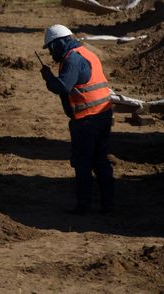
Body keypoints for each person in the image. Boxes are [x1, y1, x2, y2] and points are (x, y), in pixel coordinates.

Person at [39, 24, 114, 215]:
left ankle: (84, 206)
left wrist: (48, 78)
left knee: (83, 163)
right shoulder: (85, 53)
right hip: (103, 115)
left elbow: (63, 87)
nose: (50, 54)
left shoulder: (72, 60)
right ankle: (109, 205)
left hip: (87, 120)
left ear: (58, 44)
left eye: (50, 48)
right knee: (101, 161)